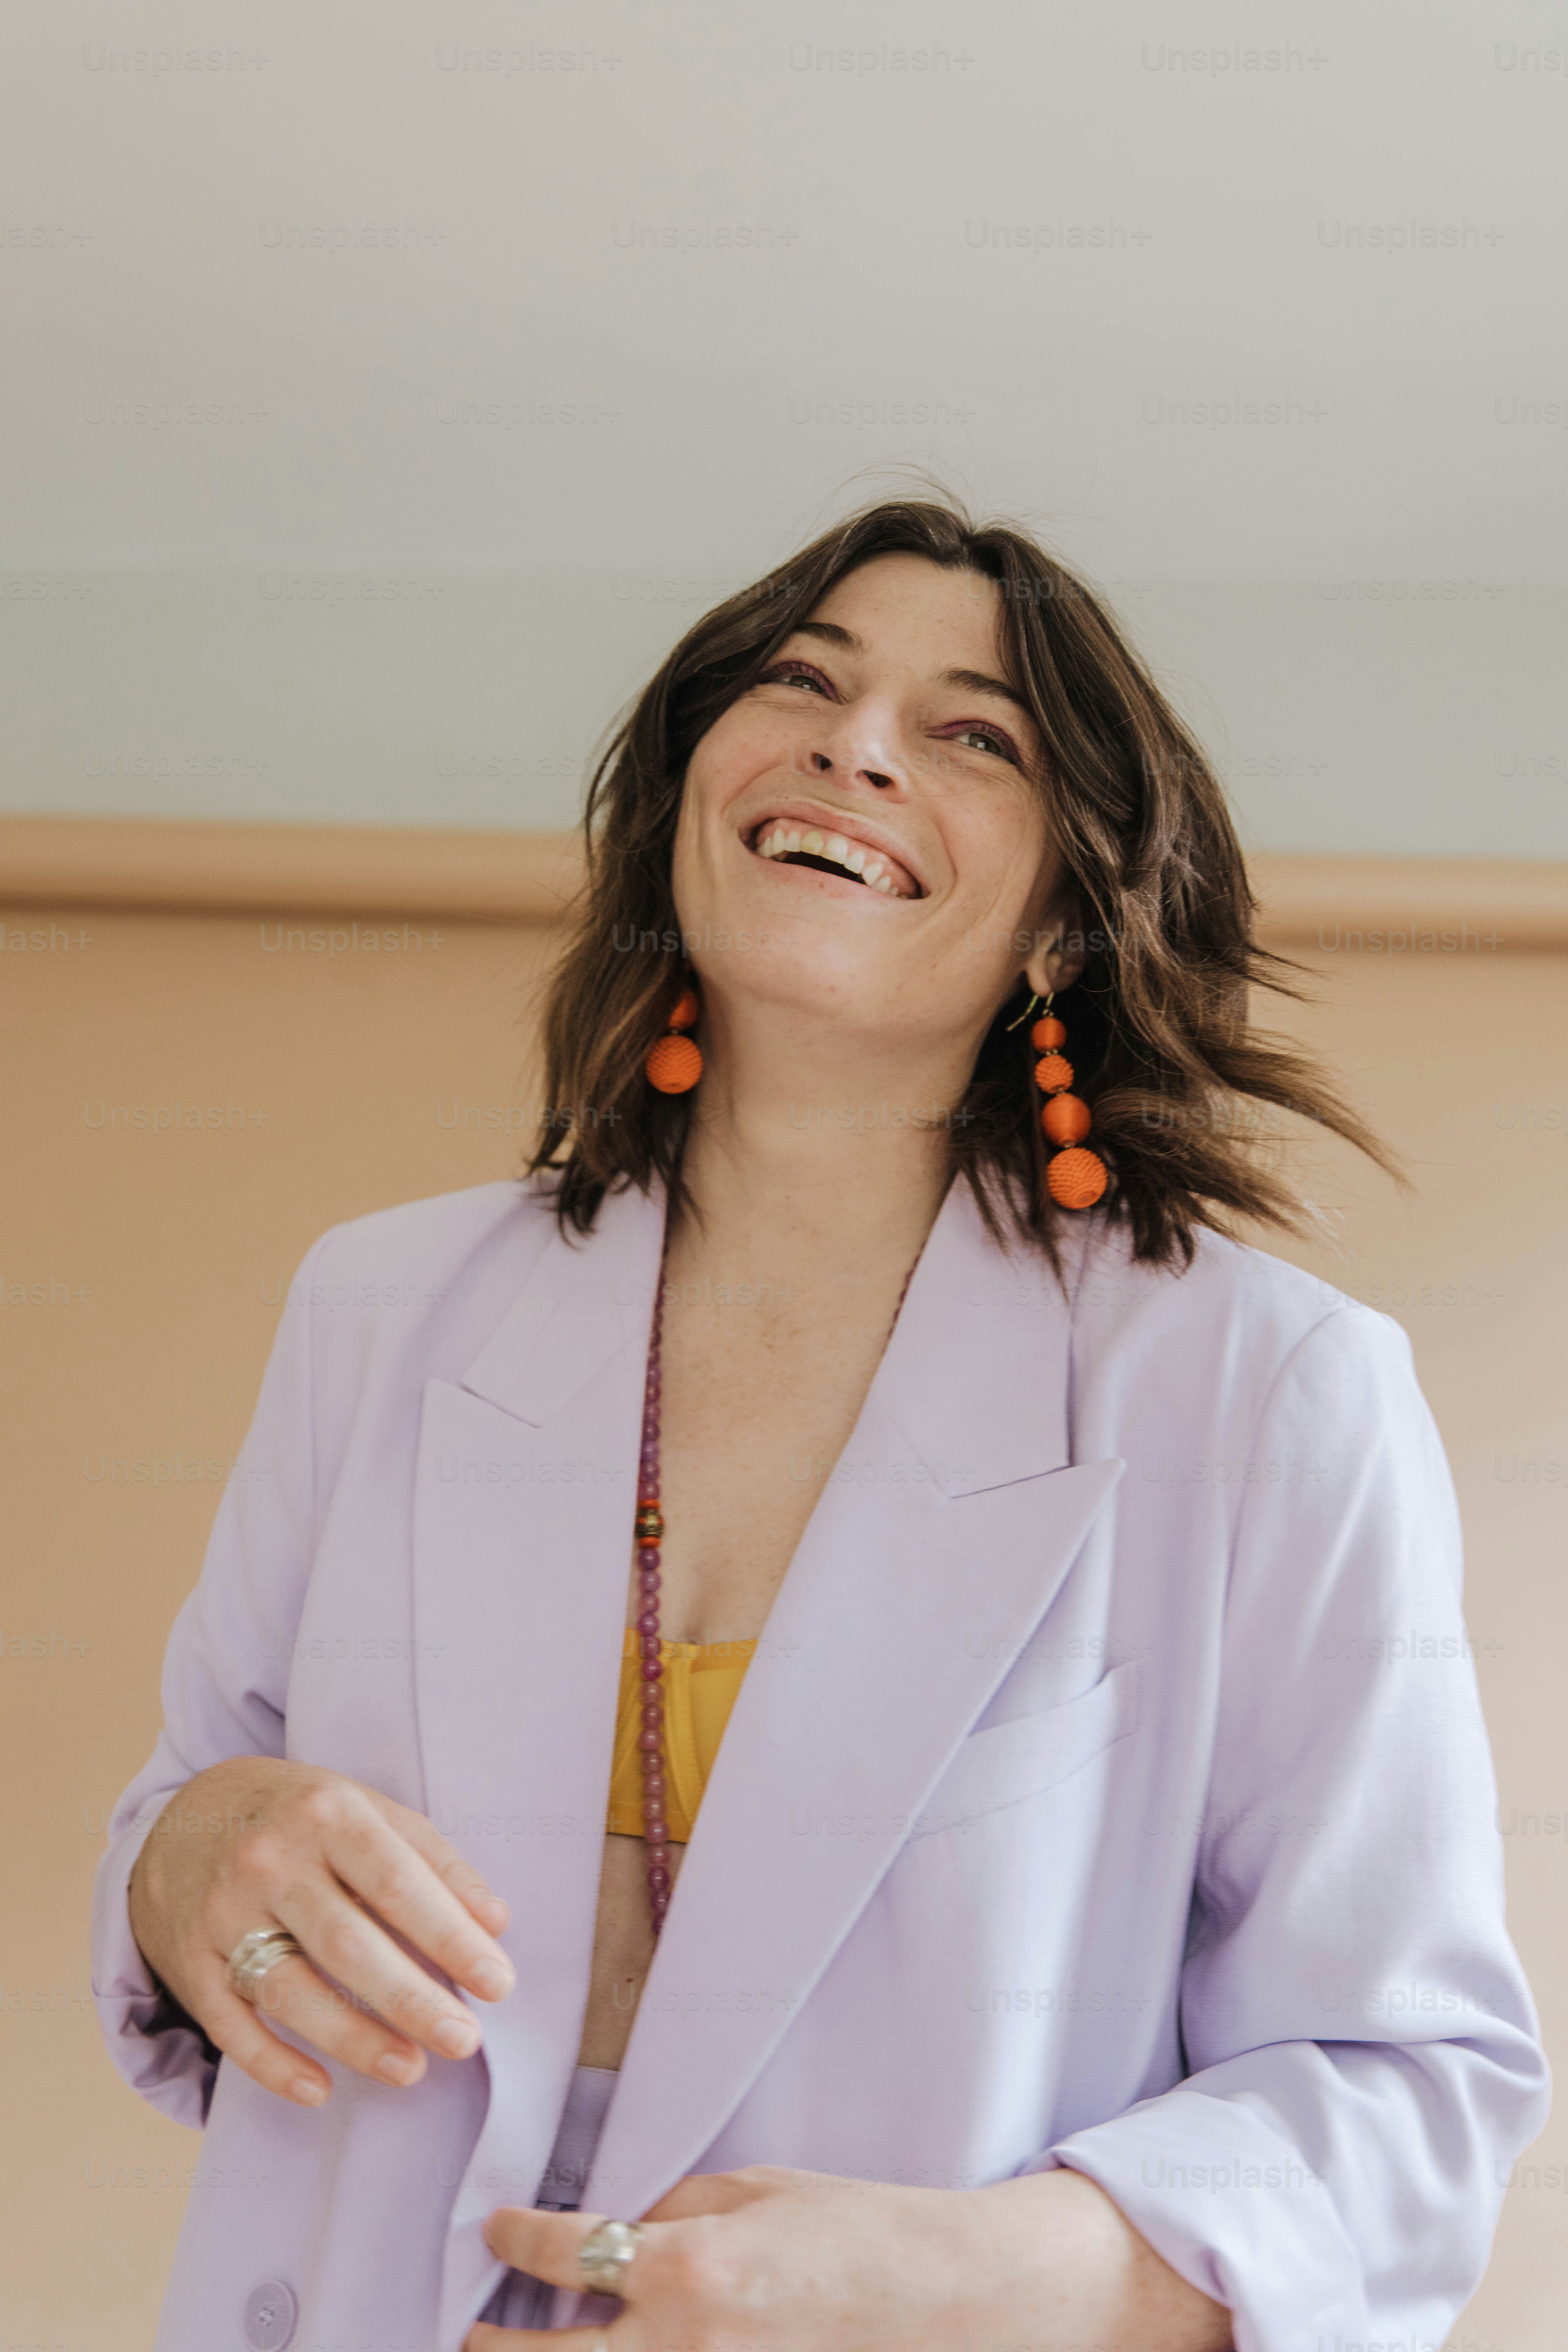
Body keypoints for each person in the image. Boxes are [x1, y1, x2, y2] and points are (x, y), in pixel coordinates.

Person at [94, 498, 1547, 2352]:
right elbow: (188, 1831)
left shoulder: (1267, 1390)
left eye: (974, 733)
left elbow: (1410, 2093)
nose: (856, 745)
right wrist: (190, 1856)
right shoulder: (376, 1306)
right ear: (688, 804)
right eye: (802, 679)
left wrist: (974, 2279)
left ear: (1062, 921)